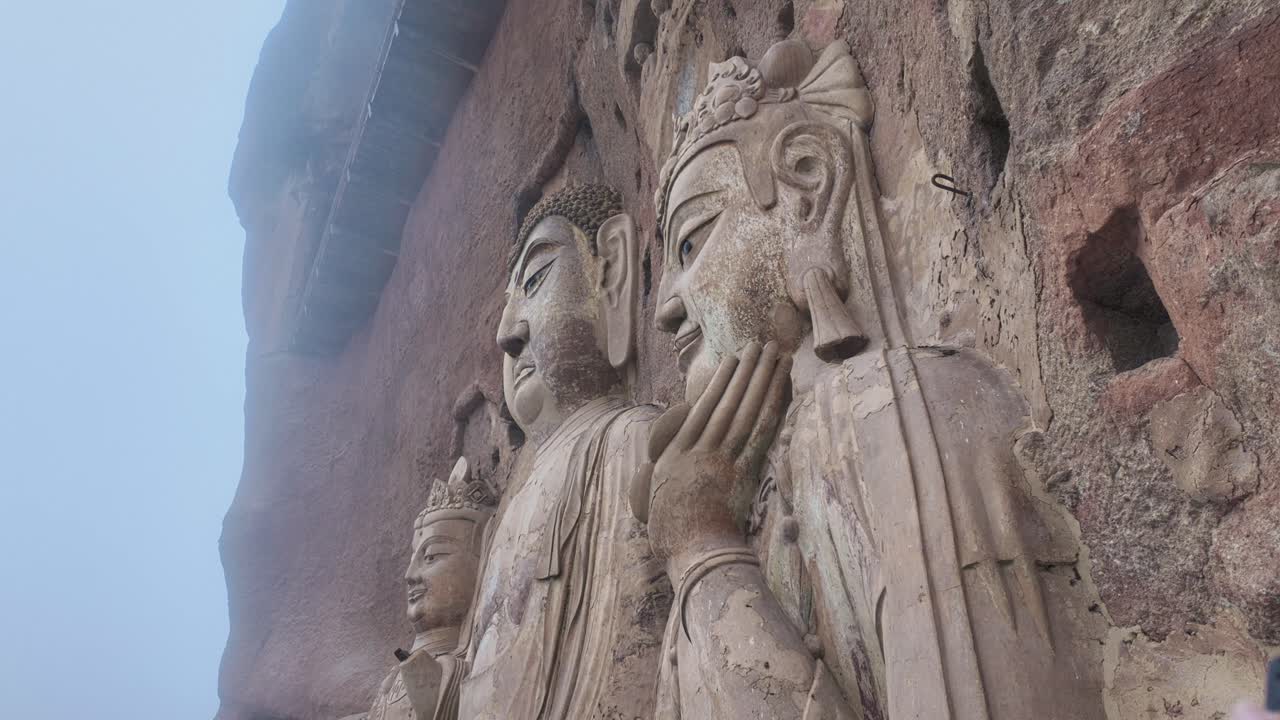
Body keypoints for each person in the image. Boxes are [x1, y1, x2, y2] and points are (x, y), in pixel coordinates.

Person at [452, 184, 669, 719]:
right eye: (508, 308)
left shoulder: (630, 442)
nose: (508, 334)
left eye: (535, 281)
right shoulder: (504, 522)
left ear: (610, 275)